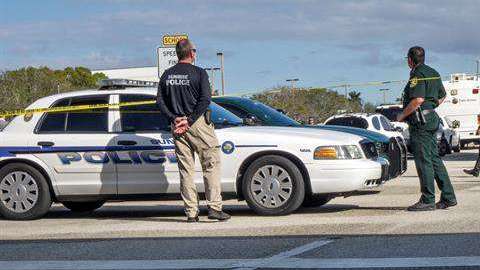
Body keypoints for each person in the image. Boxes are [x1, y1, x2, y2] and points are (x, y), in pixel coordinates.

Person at [156, 39, 231, 222]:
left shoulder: (167, 75)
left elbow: (159, 101)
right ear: (191, 53)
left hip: (177, 125)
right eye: (195, 50)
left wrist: (174, 119)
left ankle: (191, 212)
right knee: (211, 165)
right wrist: (189, 120)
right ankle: (214, 207)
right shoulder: (199, 73)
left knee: (186, 170)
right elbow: (205, 99)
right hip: (197, 123)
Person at [397, 46, 457, 211]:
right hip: (431, 120)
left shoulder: (418, 74)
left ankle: (427, 199)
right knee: (434, 159)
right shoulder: (434, 72)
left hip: (421, 123)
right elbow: (442, 95)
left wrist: (401, 115)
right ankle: (448, 197)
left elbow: (418, 100)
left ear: (411, 59)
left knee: (423, 161)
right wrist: (432, 106)